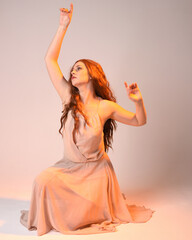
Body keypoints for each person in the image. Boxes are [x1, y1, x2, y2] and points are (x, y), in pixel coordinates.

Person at [20, 3, 155, 236]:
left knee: (78, 215)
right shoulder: (67, 97)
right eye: (72, 69)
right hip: (68, 168)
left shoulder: (105, 106)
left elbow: (139, 121)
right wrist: (63, 26)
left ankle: (88, 207)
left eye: (78, 68)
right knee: (42, 181)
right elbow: (49, 61)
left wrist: (138, 101)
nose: (72, 71)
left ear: (92, 74)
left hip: (96, 173)